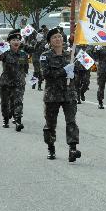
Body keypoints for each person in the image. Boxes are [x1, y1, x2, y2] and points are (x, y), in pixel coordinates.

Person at [41, 27, 81, 161]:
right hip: (52, 95)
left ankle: (73, 148)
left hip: (69, 94)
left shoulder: (70, 55)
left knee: (71, 122)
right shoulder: (45, 56)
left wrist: (74, 73)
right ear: (50, 41)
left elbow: (77, 73)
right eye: (54, 37)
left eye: (59, 36)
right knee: (50, 124)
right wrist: (63, 71)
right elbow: (46, 74)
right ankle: (51, 147)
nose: (58, 39)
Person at [0, 29, 29, 131]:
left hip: (19, 82)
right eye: (14, 40)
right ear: (9, 42)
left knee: (18, 102)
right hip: (6, 82)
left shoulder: (23, 54)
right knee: (5, 103)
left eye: (18, 40)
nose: (16, 42)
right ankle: (6, 119)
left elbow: (25, 67)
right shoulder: (5, 53)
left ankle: (18, 121)